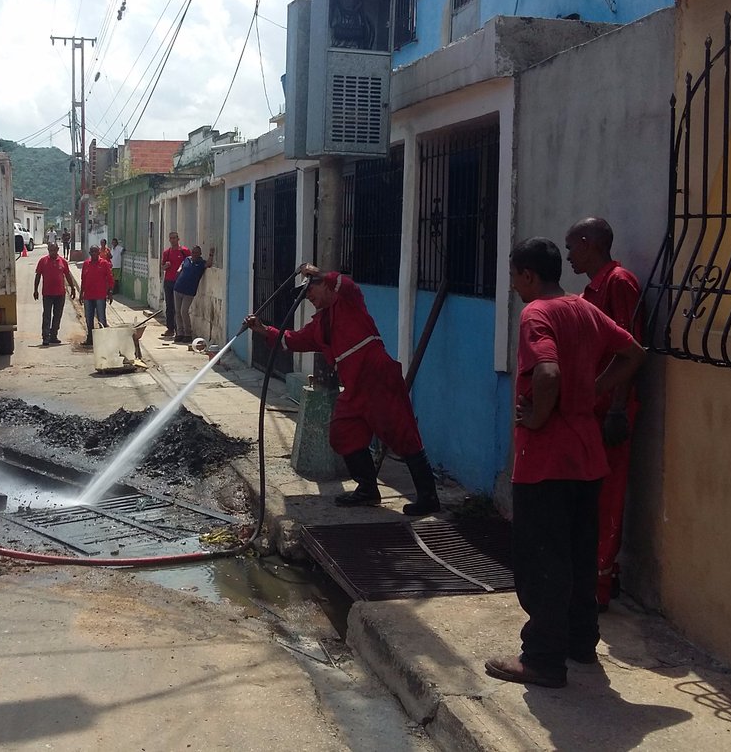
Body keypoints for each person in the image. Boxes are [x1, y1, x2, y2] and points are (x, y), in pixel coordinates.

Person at [484, 237, 644, 689]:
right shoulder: (584, 309)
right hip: (587, 458)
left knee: (542, 561)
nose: (514, 285)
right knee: (578, 553)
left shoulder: (536, 313)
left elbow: (548, 372)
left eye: (515, 276)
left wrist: (536, 415)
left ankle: (542, 659)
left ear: (528, 275)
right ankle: (580, 642)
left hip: (546, 462)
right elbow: (634, 353)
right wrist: (593, 389)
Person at [243, 264, 441, 514]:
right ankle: (367, 489)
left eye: (311, 291)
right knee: (343, 432)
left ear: (325, 285)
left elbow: (344, 283)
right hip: (354, 385)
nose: (309, 298)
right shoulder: (319, 324)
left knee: (402, 434)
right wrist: (262, 329)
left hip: (377, 376)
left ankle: (428, 497)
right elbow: (293, 339)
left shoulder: (349, 301)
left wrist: (319, 273)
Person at [566, 217, 643, 612]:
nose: (568, 256)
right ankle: (598, 578)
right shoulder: (592, 289)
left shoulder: (618, 283)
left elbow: (628, 348)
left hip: (610, 409)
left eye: (571, 247)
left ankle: (598, 585)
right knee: (591, 494)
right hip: (592, 409)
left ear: (587, 242)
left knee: (607, 497)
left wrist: (616, 408)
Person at [34, 242, 78, 346]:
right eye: (50, 250)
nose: (52, 252)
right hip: (47, 294)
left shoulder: (63, 261)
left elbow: (67, 275)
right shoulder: (43, 261)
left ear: (58, 249)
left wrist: (72, 288)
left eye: (54, 250)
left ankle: (53, 335)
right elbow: (38, 276)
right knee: (47, 315)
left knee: (57, 315)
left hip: (60, 294)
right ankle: (45, 337)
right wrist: (35, 290)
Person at [173, 245, 214, 343]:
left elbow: (208, 264)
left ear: (200, 254)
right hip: (178, 288)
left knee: (184, 311)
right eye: (193, 252)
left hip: (189, 292)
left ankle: (188, 333)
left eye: (197, 253)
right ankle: (180, 333)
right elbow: (181, 268)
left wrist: (211, 254)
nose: (194, 254)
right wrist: (178, 272)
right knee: (177, 312)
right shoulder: (187, 259)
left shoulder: (201, 263)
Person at [80, 245, 114, 347]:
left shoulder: (104, 264)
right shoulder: (86, 264)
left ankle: (103, 340)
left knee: (101, 318)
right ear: (90, 253)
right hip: (88, 296)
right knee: (88, 318)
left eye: (96, 252)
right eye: (92, 252)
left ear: (99, 253)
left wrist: (110, 292)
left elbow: (110, 278)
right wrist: (81, 293)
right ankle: (90, 338)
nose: (94, 254)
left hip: (100, 295)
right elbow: (83, 279)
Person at [159, 231, 189, 337]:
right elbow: (162, 267)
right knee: (169, 306)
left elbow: (189, 263)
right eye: (171, 238)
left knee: (179, 308)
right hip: (169, 281)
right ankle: (170, 328)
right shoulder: (167, 252)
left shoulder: (184, 251)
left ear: (178, 239)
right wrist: (165, 266)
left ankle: (180, 330)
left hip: (180, 282)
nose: (172, 240)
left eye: (174, 238)